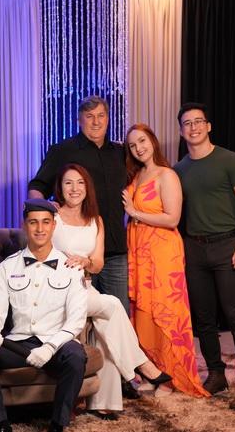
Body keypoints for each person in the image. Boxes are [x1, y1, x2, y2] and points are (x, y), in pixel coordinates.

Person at [28, 95, 139, 401]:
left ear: (108, 118)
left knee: (115, 317)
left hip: (113, 248)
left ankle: (119, 383)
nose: (96, 122)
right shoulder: (63, 150)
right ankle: (86, 381)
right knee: (85, 320)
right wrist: (43, 207)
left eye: (101, 116)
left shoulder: (120, 152)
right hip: (74, 253)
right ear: (79, 120)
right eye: (89, 117)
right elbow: (37, 185)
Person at [0, 199, 87, 432]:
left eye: (45, 222)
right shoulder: (7, 267)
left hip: (56, 344)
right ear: (25, 226)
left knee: (77, 357)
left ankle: (57, 429)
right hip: (18, 345)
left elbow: (76, 320)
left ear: (54, 226)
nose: (40, 229)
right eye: (33, 222)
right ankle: (1, 427)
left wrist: (50, 347)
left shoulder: (71, 268)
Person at [52, 164, 172, 417]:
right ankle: (141, 364)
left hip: (83, 286)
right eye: (68, 183)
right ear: (60, 188)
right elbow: (38, 249)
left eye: (80, 183)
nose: (74, 188)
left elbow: (98, 264)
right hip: (55, 289)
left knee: (105, 325)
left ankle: (104, 403)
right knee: (113, 305)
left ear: (88, 188)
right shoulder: (52, 216)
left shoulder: (96, 220)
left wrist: (85, 261)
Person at [174, 102, 235, 409]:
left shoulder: (231, 160)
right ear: (181, 130)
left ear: (208, 126)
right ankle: (216, 374)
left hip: (228, 245)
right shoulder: (179, 169)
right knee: (204, 318)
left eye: (199, 121)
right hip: (194, 248)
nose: (193, 127)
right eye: (187, 123)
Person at [123, 124, 209, 398]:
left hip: (162, 252)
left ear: (153, 141)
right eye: (133, 145)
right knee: (144, 313)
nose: (139, 148)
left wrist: (135, 213)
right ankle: (155, 372)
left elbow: (172, 218)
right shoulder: (137, 175)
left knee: (165, 312)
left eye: (142, 141)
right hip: (139, 251)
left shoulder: (167, 174)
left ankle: (173, 377)